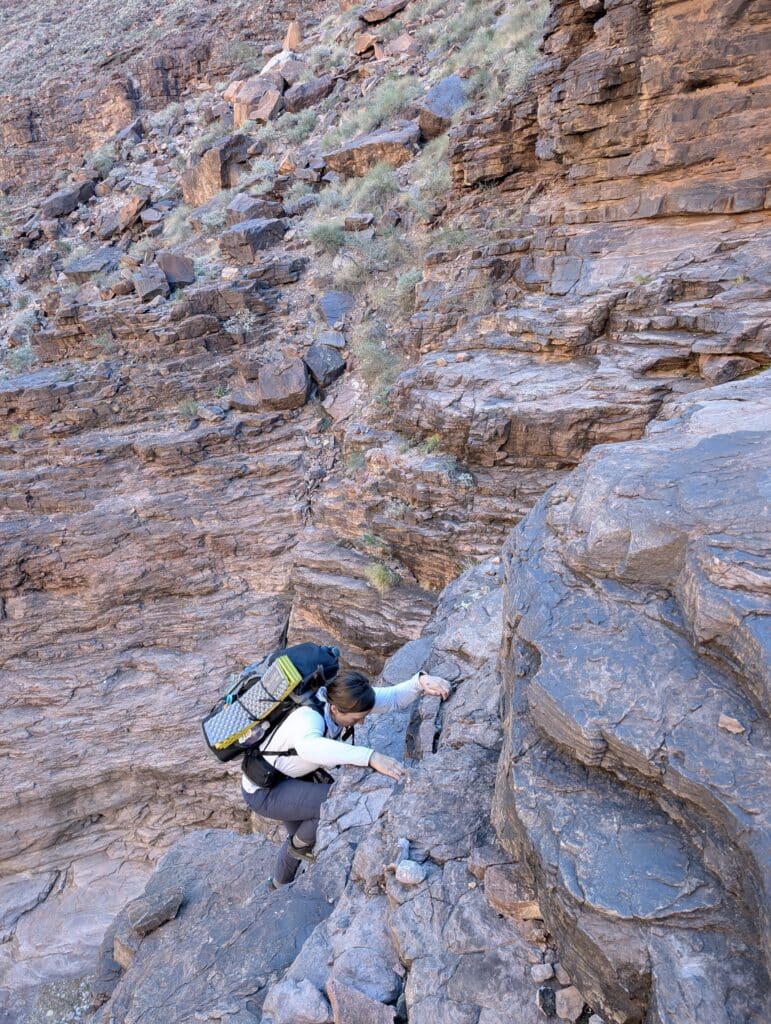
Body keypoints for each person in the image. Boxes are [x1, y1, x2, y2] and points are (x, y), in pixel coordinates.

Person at [241, 667, 452, 888]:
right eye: (356, 719)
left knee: (307, 834)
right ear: (335, 709)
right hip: (265, 792)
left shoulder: (344, 699)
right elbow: (308, 747)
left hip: (291, 778)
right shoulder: (308, 718)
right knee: (330, 806)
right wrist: (370, 756)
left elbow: (392, 699)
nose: (360, 723)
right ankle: (289, 866)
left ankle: (280, 880)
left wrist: (420, 682)